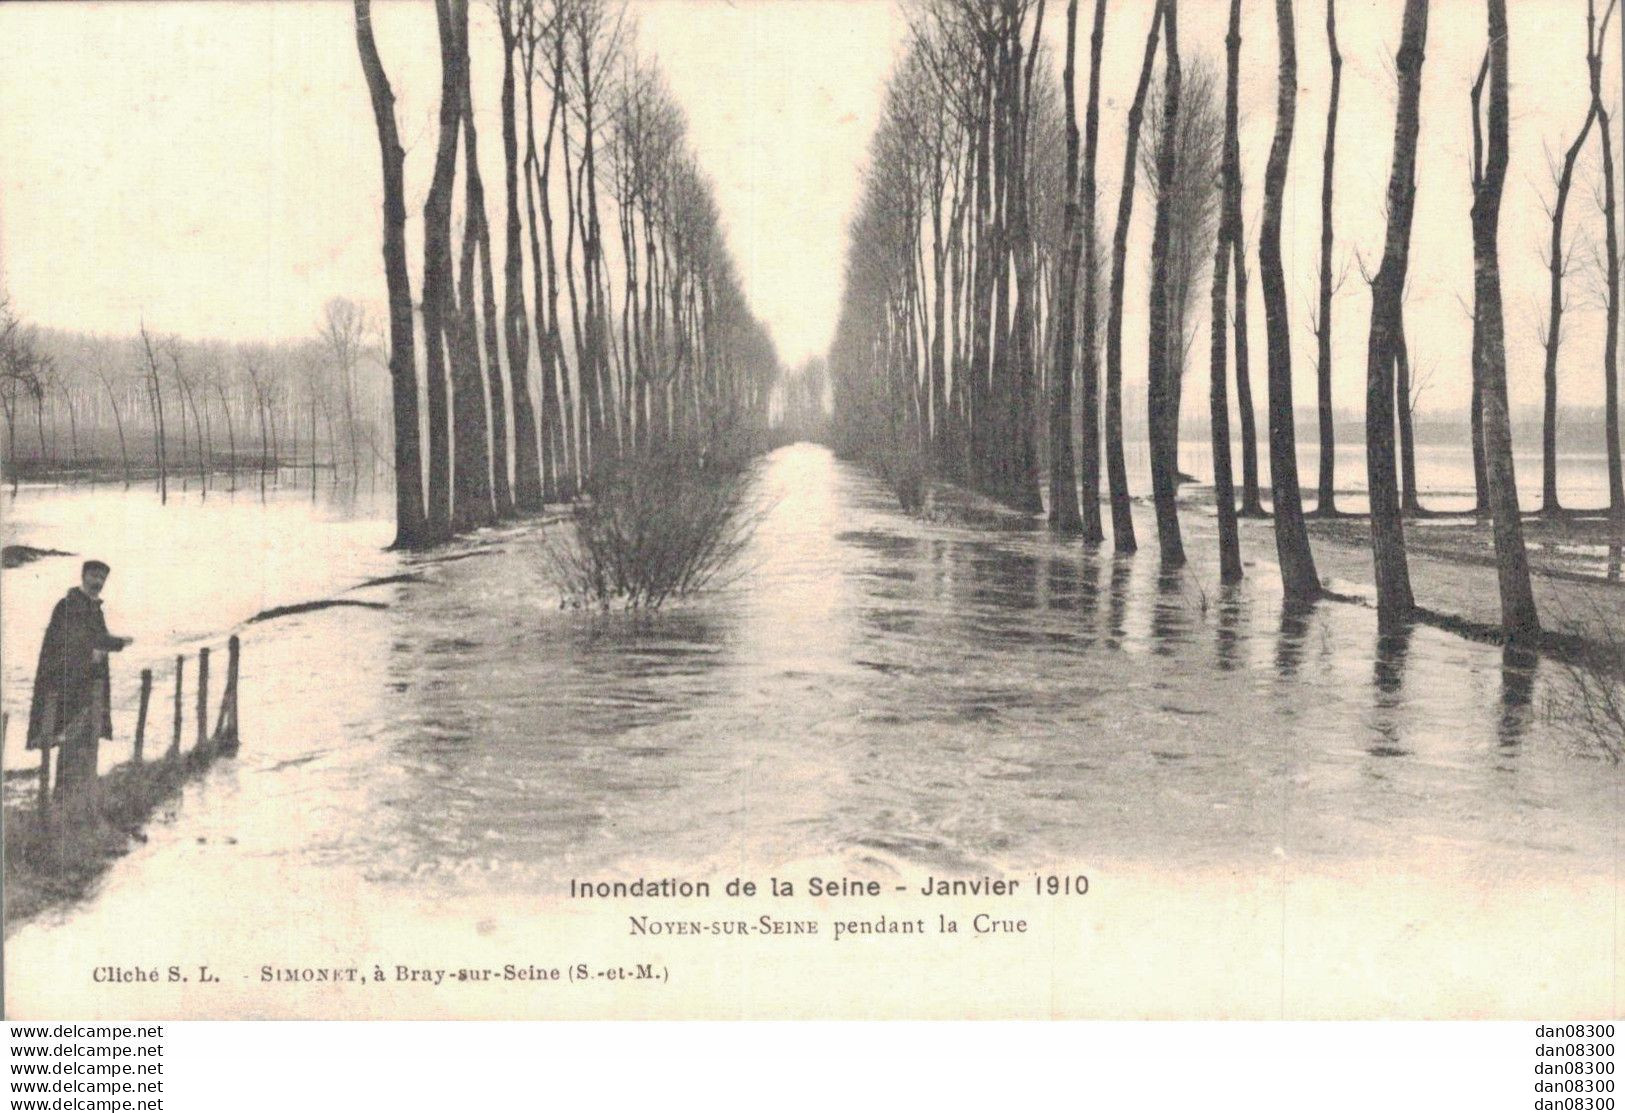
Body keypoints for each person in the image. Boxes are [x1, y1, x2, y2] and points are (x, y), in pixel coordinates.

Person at [26, 559, 133, 796]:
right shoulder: (69, 605)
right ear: (83, 576)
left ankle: (79, 797)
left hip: (88, 685)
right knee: (70, 739)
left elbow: (97, 638)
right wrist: (108, 646)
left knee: (85, 740)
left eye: (102, 578)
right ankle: (64, 798)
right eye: (94, 576)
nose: (98, 582)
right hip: (68, 686)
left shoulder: (93, 607)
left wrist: (116, 642)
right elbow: (74, 643)